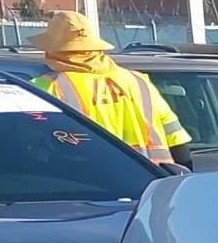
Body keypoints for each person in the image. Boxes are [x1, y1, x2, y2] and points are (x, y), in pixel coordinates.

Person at [32, 12, 191, 168]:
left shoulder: (46, 86)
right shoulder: (138, 81)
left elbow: (27, 143)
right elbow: (176, 139)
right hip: (153, 182)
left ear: (52, 50)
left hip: (91, 185)